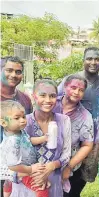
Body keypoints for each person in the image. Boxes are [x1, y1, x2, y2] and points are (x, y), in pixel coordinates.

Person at [58, 47, 99, 195]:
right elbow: (54, 100)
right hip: (69, 135)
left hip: (93, 139)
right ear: (83, 60)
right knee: (62, 169)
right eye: (89, 58)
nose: (93, 62)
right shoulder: (72, 80)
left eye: (97, 59)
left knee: (84, 175)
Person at [10, 79, 71, 197]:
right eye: (42, 95)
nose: (48, 100)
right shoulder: (22, 122)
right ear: (33, 97)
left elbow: (66, 154)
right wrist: (33, 171)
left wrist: (51, 166)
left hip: (52, 182)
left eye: (52, 96)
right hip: (26, 184)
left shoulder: (64, 120)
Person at [53, 74, 94, 197]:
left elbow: (87, 145)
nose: (77, 92)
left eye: (81, 90)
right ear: (65, 86)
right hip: (43, 163)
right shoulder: (51, 104)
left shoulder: (85, 116)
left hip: (68, 166)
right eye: (73, 87)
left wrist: (69, 167)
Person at [0, 100, 49, 197]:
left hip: (21, 166)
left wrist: (43, 138)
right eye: (17, 118)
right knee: (41, 187)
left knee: (8, 183)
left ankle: (7, 192)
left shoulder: (19, 132)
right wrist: (31, 169)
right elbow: (13, 166)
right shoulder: (12, 142)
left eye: (23, 117)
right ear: (4, 123)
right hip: (22, 169)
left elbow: (28, 140)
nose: (22, 120)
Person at [0, 56, 33, 197]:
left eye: (18, 72)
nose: (13, 75)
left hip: (17, 165)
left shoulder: (25, 99)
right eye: (9, 70)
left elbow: (27, 128)